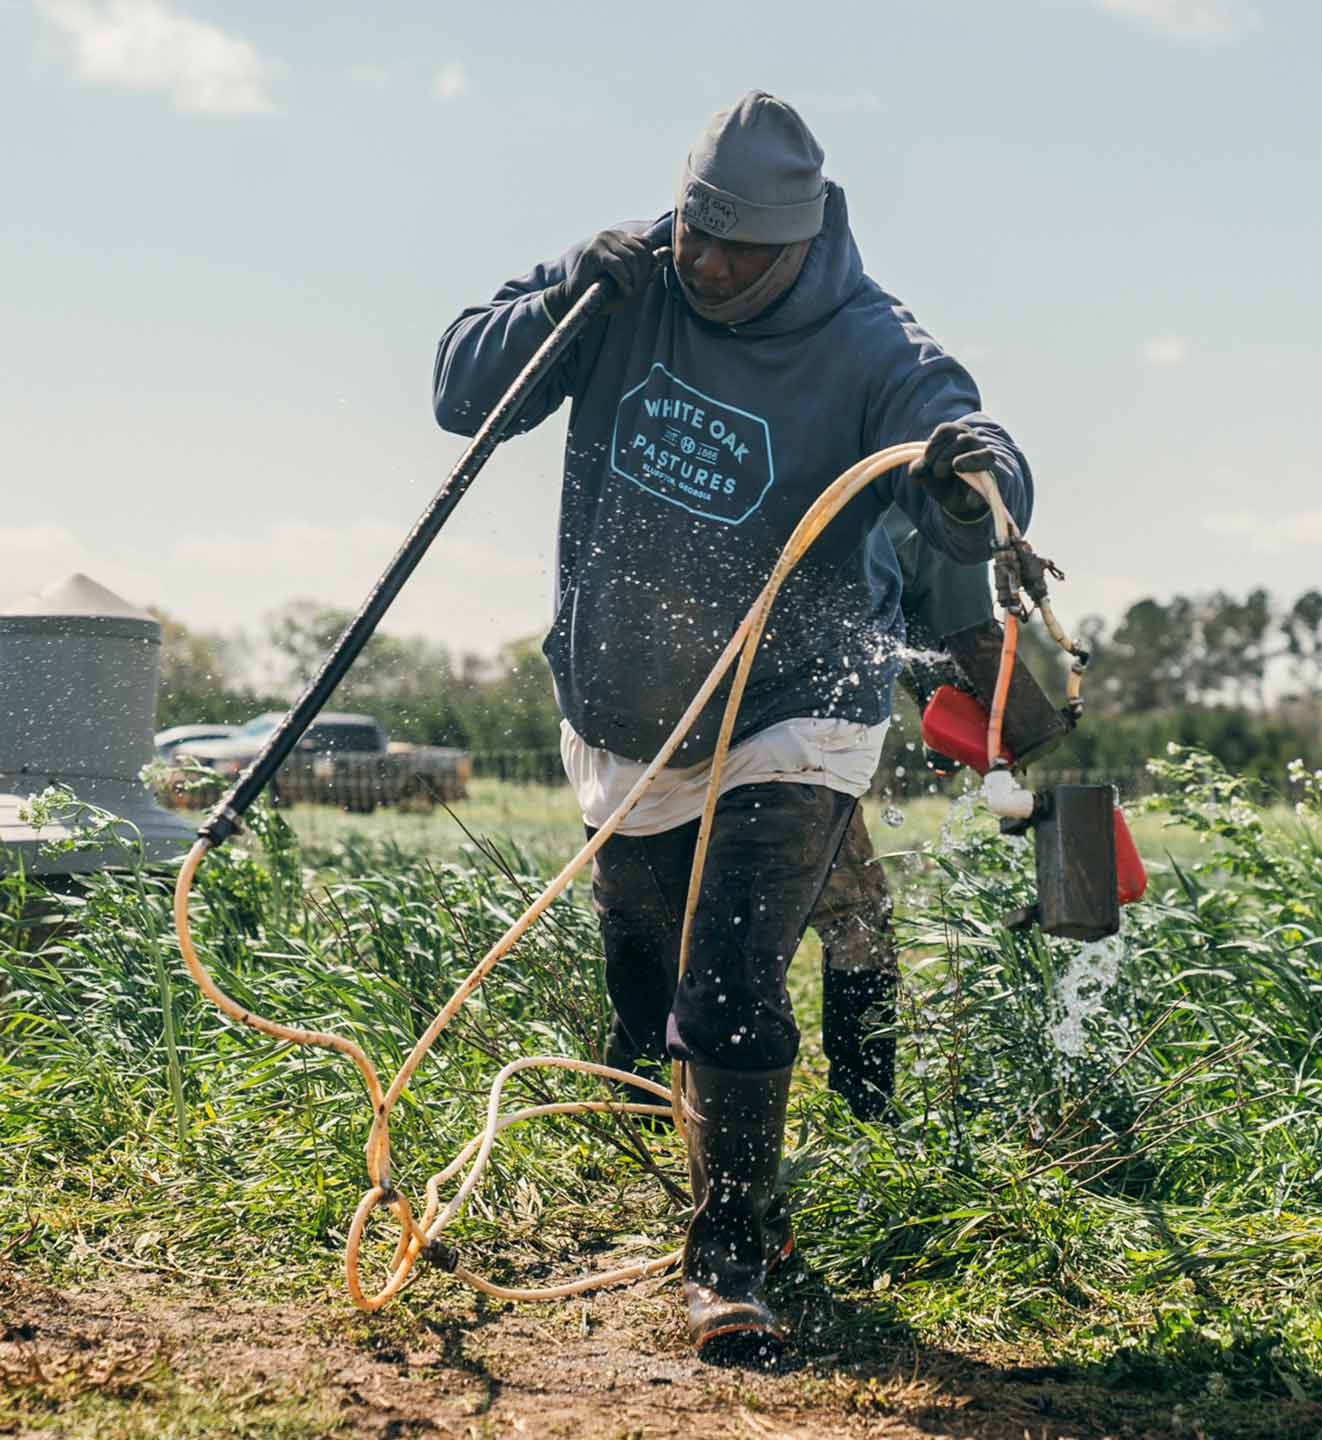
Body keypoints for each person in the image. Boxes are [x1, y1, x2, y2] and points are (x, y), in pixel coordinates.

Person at [430, 90, 1032, 1359]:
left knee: (728, 975)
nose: (704, 266)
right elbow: (458, 391)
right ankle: (733, 1194)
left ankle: (731, 1259)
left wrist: (974, 477)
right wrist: (554, 301)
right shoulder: (627, 283)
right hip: (626, 715)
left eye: (736, 253)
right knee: (648, 974)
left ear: (800, 242)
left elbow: (975, 447)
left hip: (791, 715)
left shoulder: (875, 346)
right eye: (695, 237)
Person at [808, 510, 994, 1122]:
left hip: (635, 723)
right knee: (855, 919)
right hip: (786, 748)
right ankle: (865, 1118)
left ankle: (640, 1096)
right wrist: (993, 726)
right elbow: (955, 629)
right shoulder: (913, 497)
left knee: (672, 909)